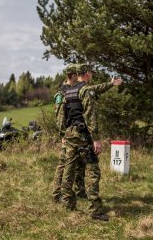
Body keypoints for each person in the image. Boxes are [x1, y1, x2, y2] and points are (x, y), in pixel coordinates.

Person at [60, 63, 123, 221]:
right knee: (93, 172)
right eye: (91, 72)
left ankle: (68, 204)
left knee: (69, 169)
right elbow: (90, 116)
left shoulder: (68, 90)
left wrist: (110, 83)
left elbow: (63, 115)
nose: (93, 75)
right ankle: (95, 210)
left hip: (70, 135)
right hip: (83, 136)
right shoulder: (85, 91)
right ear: (87, 73)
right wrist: (96, 139)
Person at [52, 64, 86, 203]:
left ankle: (76, 190)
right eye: (77, 74)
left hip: (72, 132)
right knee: (64, 164)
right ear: (72, 75)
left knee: (74, 163)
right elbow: (60, 117)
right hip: (67, 134)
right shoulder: (61, 94)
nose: (79, 77)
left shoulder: (71, 90)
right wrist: (62, 136)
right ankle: (57, 194)